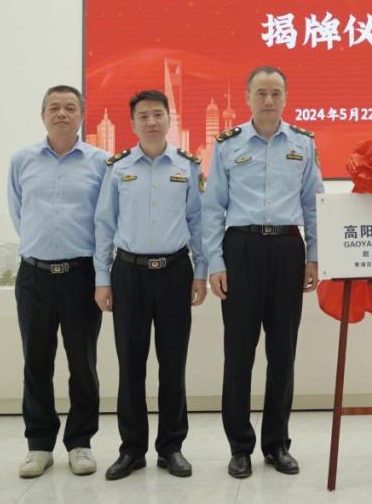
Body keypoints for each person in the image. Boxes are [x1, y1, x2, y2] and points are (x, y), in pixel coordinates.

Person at [203, 66, 324, 479]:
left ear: (285, 97)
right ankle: (239, 446)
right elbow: (212, 208)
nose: (268, 100)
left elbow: (313, 204)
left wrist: (314, 257)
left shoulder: (303, 143)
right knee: (239, 353)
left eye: (276, 93)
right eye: (261, 93)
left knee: (283, 352)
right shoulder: (227, 144)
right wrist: (216, 263)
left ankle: (277, 443)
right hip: (241, 249)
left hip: (288, 248)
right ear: (248, 97)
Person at [94, 90, 207, 480]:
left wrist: (200, 271)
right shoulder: (118, 168)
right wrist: (102, 279)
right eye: (143, 116)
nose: (151, 122)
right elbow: (104, 225)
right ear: (132, 123)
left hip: (176, 271)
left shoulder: (187, 166)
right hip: (129, 274)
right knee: (131, 365)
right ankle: (132, 450)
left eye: (158, 114)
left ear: (169, 119)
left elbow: (198, 223)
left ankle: (171, 447)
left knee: (173, 365)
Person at [8, 85, 106, 478]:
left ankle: (80, 443)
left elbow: (105, 220)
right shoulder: (22, 160)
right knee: (36, 362)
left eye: (69, 107)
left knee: (83, 363)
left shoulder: (100, 162)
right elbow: (19, 213)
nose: (61, 113)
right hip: (34, 276)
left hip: (82, 275)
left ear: (82, 115)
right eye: (54, 107)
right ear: (43, 115)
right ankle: (39, 446)